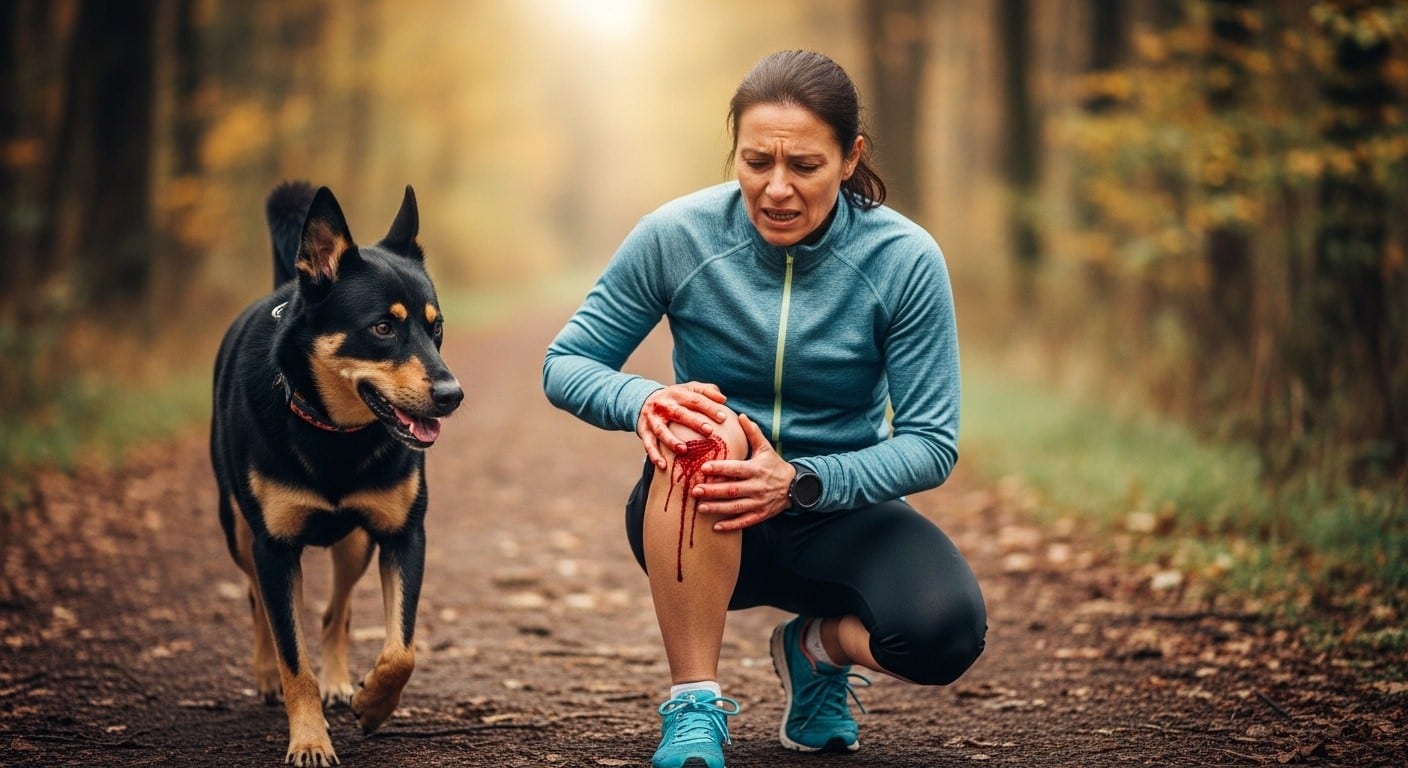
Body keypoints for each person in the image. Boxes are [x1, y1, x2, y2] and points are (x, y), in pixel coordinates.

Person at [543, 49, 986, 768]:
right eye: (756, 162)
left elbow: (932, 442)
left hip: (839, 515)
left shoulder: (904, 259)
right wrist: (646, 401)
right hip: (701, 513)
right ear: (736, 154)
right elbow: (566, 363)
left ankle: (814, 650)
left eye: (805, 166)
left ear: (850, 159)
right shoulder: (676, 235)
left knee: (944, 635)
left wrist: (802, 480)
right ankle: (692, 704)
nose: (776, 189)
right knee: (705, 425)